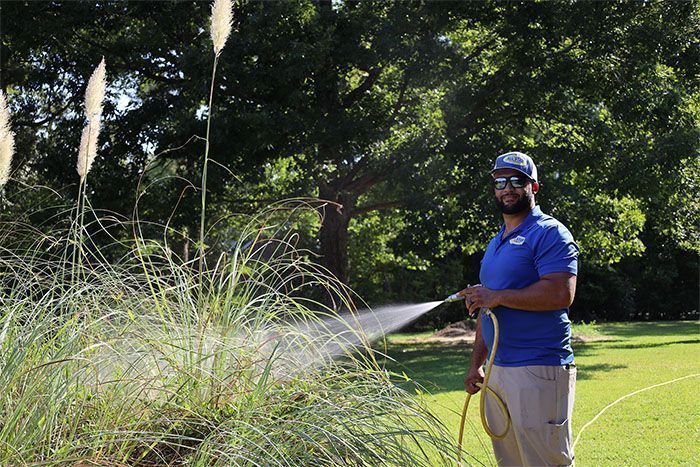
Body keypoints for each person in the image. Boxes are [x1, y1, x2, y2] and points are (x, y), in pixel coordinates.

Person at [461, 151, 579, 466]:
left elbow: (560, 293)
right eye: (501, 181)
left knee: (545, 461)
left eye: (517, 180)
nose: (508, 188)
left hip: (539, 368)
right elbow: (486, 310)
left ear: (533, 187)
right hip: (499, 372)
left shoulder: (550, 232)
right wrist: (477, 364)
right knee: (510, 461)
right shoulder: (495, 241)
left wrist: (498, 296)